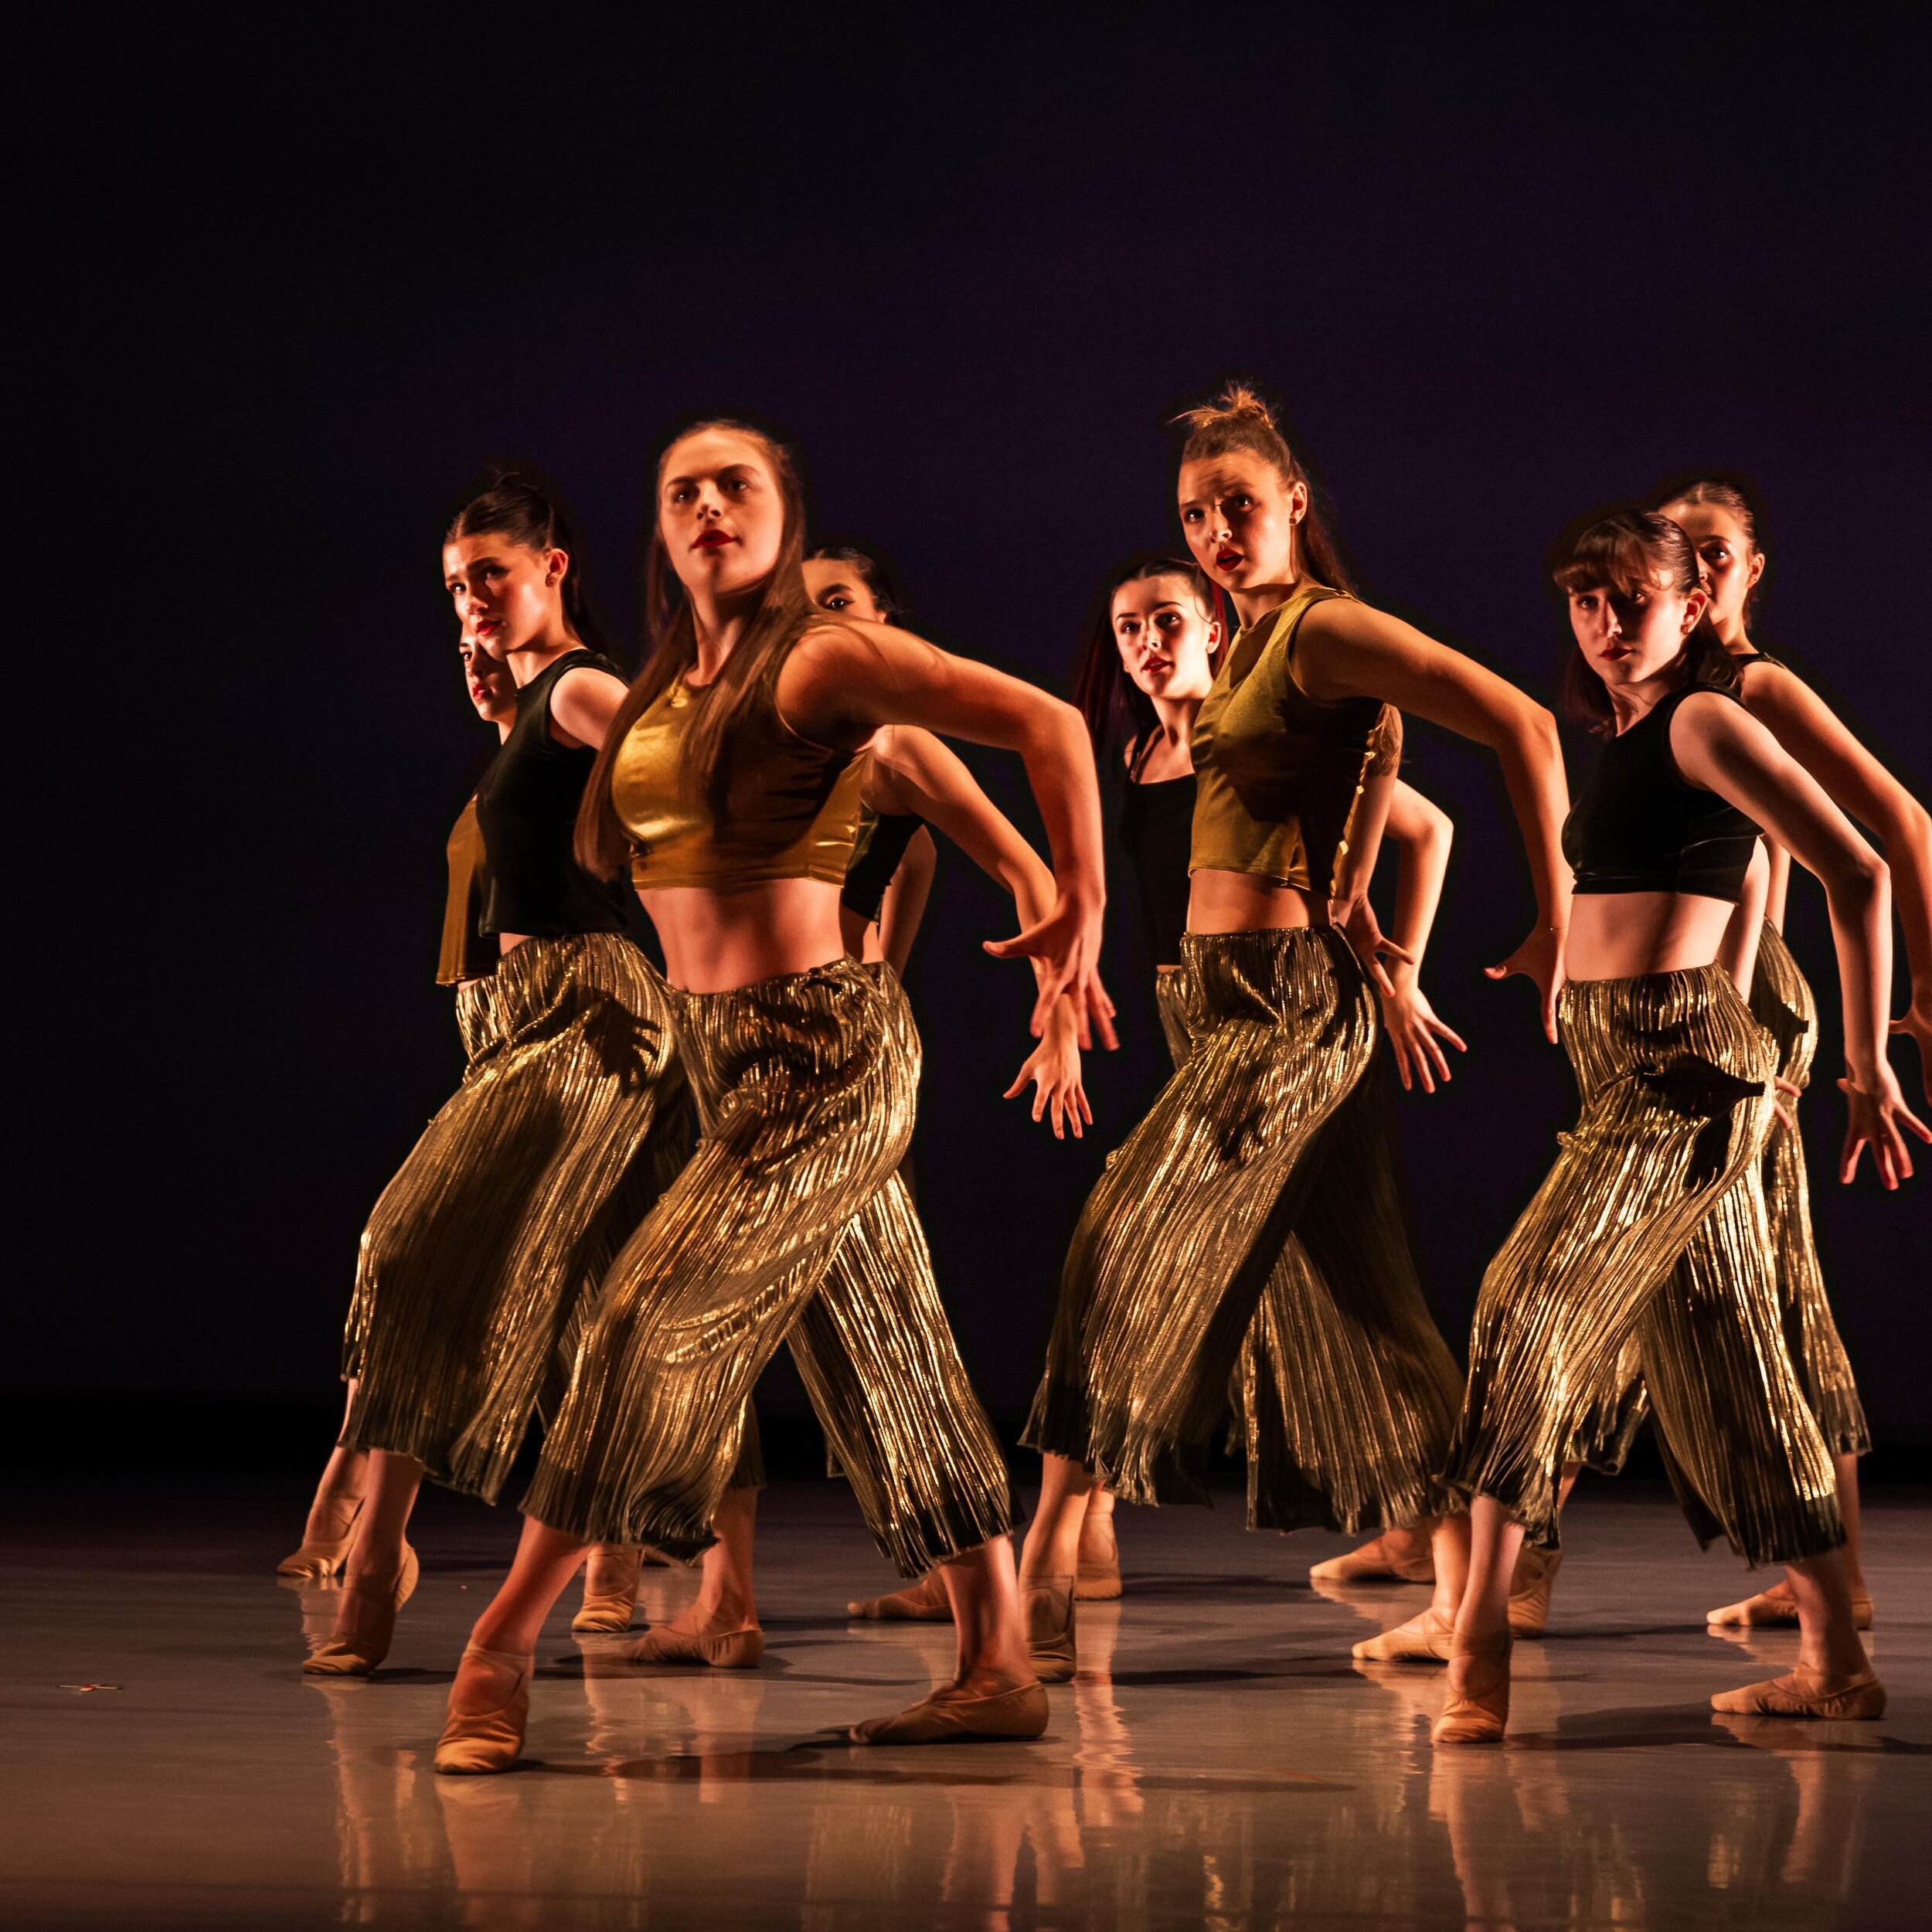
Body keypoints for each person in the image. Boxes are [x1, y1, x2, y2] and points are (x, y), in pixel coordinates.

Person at [430, 417, 1115, 1773]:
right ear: (659, 528)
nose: (707, 508)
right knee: (891, 1355)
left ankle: (498, 1644)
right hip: (713, 1050)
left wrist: (1074, 901)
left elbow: (1039, 719)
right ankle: (997, 1668)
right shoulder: (664, 689)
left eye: (735, 485)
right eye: (681, 490)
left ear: (785, 516)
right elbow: (621, 857)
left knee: (640, 1314)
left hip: (827, 1053)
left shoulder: (825, 653)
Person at [1015, 386, 1571, 1683]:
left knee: (1116, 1241)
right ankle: (1482, 1575)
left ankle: (1042, 1570)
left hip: (1283, 1014)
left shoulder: (1324, 631)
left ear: (1296, 506)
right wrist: (1357, 898)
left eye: (1239, 507)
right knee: (1376, 1310)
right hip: (1230, 994)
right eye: (1196, 514)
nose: (1216, 531)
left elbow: (1524, 727)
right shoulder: (1252, 651)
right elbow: (1341, 791)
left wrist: (1556, 913)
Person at [1433, 506, 1926, 1744]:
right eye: (1585, 603)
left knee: (1521, 1308)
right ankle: (1836, 1662)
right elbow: (1743, 886)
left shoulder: (1706, 718)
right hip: (1629, 1077)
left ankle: (1477, 1649)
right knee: (1736, 1376)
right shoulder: (1636, 733)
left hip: (1679, 1082)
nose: (1606, 626)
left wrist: (1865, 1061)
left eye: (1631, 600)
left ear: (1692, 604)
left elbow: (1859, 868)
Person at [305, 475, 695, 1677]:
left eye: (491, 575)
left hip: (592, 1016)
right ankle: (616, 1558)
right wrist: (500, 725)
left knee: (408, 1245)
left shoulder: (580, 686)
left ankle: (377, 1563)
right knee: (590, 1293)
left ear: (554, 569)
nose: (470, 599)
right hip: (523, 1019)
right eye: (455, 584)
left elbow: (671, 767)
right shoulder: (528, 707)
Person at [1651, 476, 1928, 1635]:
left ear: (1752, 569)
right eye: (1681, 556)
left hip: (1747, 1009)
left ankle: (1836, 1579)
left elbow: (1899, 828)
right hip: (1692, 1004)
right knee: (1723, 1285)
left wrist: (1919, 995)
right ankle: (1832, 1572)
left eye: (1718, 554)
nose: (1700, 574)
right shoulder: (1660, 691)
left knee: (1739, 1285)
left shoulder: (1751, 685)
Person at [276, 634, 520, 1582]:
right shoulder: (496, 771)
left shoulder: (567, 741)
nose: (477, 662)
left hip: (563, 1037)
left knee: (425, 1253)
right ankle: (357, 1488)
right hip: (494, 1034)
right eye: (463, 648)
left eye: (494, 649)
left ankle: (354, 1488)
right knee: (414, 1259)